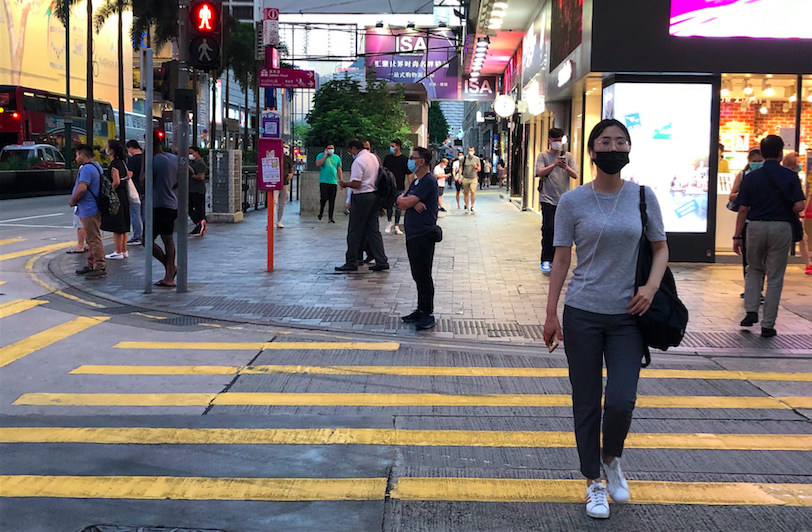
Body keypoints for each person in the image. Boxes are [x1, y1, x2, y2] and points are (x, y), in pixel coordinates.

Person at [544, 119, 668, 520]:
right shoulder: (573, 201)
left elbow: (661, 249)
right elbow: (562, 258)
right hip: (582, 313)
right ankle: (593, 481)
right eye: (605, 142)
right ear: (592, 151)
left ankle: (611, 457)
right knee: (586, 402)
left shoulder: (643, 198)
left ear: (628, 149)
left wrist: (649, 288)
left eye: (621, 141)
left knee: (621, 401)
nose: (614, 147)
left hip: (629, 317)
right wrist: (551, 312)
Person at [734, 135, 806, 338]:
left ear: (763, 153)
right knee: (775, 277)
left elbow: (742, 209)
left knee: (754, 269)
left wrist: (737, 236)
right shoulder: (790, 176)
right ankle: (768, 325)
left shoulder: (751, 177)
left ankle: (750, 311)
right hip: (781, 228)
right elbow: (800, 205)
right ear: (781, 152)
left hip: (755, 227)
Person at [398, 146, 440, 330]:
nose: (410, 160)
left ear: (421, 161)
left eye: (412, 158)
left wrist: (409, 202)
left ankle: (428, 312)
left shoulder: (428, 181)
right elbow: (401, 201)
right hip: (413, 234)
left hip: (423, 234)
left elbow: (405, 201)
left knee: (424, 274)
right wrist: (411, 203)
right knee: (417, 274)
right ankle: (420, 308)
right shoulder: (416, 182)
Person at [335, 139, 388, 272]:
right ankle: (381, 260)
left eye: (350, 151)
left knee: (354, 230)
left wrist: (344, 183)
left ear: (354, 149)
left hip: (361, 197)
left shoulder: (358, 161)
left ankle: (352, 261)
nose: (350, 154)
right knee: (373, 230)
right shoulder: (374, 157)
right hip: (374, 196)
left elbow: (357, 184)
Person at [536, 127, 579, 273]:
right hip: (547, 198)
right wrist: (554, 165)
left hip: (563, 199)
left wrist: (565, 167)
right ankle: (546, 259)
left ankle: (556, 260)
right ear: (549, 141)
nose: (557, 143)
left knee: (560, 231)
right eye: (555, 141)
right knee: (548, 229)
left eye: (559, 141)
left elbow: (575, 175)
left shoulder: (568, 156)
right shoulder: (543, 156)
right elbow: (539, 172)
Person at [729, 148, 765, 293]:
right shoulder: (743, 175)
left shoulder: (765, 177)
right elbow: (732, 195)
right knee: (748, 257)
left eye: (759, 161)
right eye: (754, 161)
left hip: (759, 219)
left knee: (761, 257)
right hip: (747, 221)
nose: (756, 164)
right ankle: (750, 288)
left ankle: (758, 289)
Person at [69, 144, 106, 279]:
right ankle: (91, 265)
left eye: (77, 155)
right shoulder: (96, 166)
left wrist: (73, 200)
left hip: (89, 208)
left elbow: (82, 188)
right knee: (91, 239)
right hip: (92, 207)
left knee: (93, 239)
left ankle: (100, 267)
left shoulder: (86, 169)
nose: (76, 157)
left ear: (83, 155)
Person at [150, 132, 179, 288]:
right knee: (168, 239)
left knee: (146, 240)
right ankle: (169, 275)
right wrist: (172, 187)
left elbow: (143, 181)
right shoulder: (172, 158)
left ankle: (169, 269)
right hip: (171, 204)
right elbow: (188, 171)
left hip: (158, 205)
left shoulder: (155, 160)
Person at [100, 139, 130, 260]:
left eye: (107, 147)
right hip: (124, 196)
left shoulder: (114, 164)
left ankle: (118, 251)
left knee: (117, 225)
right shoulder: (122, 162)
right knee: (123, 224)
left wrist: (109, 190)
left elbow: (116, 181)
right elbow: (127, 177)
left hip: (116, 197)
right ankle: (123, 250)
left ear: (111, 150)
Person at [782, 152, 811, 274]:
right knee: (801, 238)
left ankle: (808, 263)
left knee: (802, 238)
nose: (800, 165)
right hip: (789, 213)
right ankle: (808, 264)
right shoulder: (793, 178)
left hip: (786, 212)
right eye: (798, 162)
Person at [384, 139, 411, 235]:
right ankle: (389, 222)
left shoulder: (404, 159)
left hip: (400, 185)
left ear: (398, 147)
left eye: (393, 146)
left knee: (399, 206)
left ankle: (396, 225)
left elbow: (409, 173)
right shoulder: (388, 158)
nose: (391, 148)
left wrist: (411, 186)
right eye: (391, 146)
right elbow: (384, 172)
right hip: (389, 186)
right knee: (389, 205)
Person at [315, 142, 342, 223]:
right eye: (329, 148)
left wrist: (341, 180)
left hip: (333, 181)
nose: (331, 150)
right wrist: (325, 155)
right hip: (324, 181)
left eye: (332, 148)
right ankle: (321, 212)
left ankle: (331, 216)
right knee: (323, 198)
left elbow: (339, 169)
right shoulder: (321, 155)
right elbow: (318, 164)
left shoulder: (337, 157)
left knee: (332, 200)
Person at [126, 140, 144, 245]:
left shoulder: (132, 160)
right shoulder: (146, 158)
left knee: (135, 214)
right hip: (146, 188)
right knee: (144, 214)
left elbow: (130, 175)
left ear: (131, 148)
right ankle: (145, 235)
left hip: (135, 190)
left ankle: (137, 236)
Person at [188, 146, 208, 236]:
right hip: (191, 189)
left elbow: (201, 177)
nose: (190, 155)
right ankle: (199, 224)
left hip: (198, 190)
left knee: (199, 209)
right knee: (189, 208)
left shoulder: (200, 163)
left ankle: (200, 224)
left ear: (197, 152)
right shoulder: (191, 162)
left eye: (191, 153)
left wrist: (191, 175)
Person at [274, 146, 293, 228]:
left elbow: (291, 169)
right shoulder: (273, 158)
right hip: (274, 182)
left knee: (282, 203)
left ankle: (279, 220)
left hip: (285, 182)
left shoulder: (288, 158)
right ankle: (271, 220)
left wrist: (291, 174)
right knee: (274, 202)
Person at [461, 147, 481, 212]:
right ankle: (466, 206)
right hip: (465, 178)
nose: (470, 152)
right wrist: (459, 177)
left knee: (473, 191)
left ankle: (472, 205)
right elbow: (461, 168)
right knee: (466, 193)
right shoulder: (464, 159)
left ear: (474, 151)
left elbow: (479, 169)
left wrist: (476, 167)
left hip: (473, 178)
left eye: (471, 150)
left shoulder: (477, 159)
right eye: (469, 150)